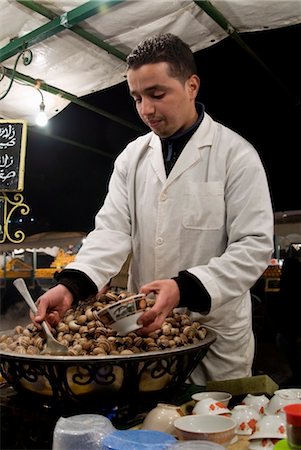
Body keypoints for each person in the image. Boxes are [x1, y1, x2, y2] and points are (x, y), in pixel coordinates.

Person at [33, 33, 274, 384]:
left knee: (210, 426)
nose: (146, 109)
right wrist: (72, 284)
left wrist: (184, 288)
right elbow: (112, 230)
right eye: (137, 98)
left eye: (157, 94)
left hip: (214, 332)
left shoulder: (236, 156)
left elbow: (253, 247)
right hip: (145, 329)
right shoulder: (133, 158)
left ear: (191, 86)